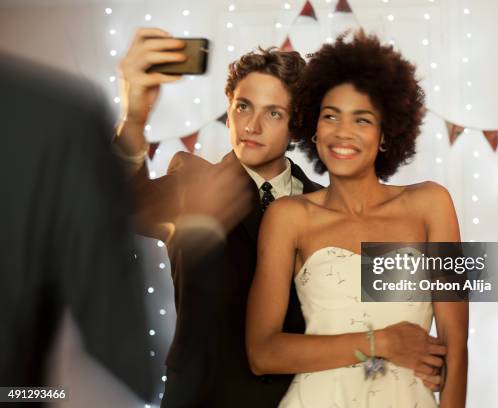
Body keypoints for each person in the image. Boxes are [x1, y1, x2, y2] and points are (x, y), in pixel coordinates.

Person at [246, 31, 468, 407]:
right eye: (330, 116)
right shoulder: (289, 217)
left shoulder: (431, 205)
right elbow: (263, 353)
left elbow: (456, 341)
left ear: (385, 135)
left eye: (362, 120)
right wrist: (381, 343)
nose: (342, 132)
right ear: (313, 129)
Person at [112, 28, 322, 407]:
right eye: (243, 106)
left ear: (296, 123)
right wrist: (134, 118)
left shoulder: (325, 203)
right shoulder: (191, 185)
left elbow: (391, 281)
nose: (251, 126)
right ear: (228, 108)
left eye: (273, 112)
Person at [0, 54, 155, 405]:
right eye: (241, 106)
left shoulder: (56, 119)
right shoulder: (55, 118)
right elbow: (123, 359)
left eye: (274, 112)